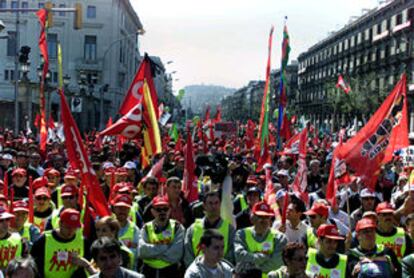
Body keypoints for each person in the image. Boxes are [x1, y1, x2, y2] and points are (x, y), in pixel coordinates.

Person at [30, 208, 93, 277]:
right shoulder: (43, 240)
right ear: (60, 223)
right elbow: (33, 265)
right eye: (68, 227)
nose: (71, 231)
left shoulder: (83, 242)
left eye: (75, 227)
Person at [184, 190, 235, 267]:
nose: (213, 206)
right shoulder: (192, 229)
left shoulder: (230, 229)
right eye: (210, 203)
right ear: (204, 206)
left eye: (216, 203)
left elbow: (231, 256)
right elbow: (188, 256)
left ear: (220, 205)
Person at [235, 201, 287, 276]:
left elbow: (276, 264)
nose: (264, 220)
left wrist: (250, 265)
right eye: (260, 217)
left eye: (267, 217)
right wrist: (265, 257)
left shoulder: (280, 238)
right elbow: (239, 257)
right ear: (252, 218)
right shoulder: (241, 235)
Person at [138, 195, 184, 278]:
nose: (162, 212)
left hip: (171, 272)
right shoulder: (146, 228)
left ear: (169, 210)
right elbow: (142, 251)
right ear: (152, 211)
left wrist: (152, 254)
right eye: (158, 209)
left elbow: (176, 254)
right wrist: (166, 247)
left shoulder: (177, 227)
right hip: (148, 272)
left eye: (165, 209)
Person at [111, 194, 140, 268]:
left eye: (125, 208)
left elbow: (137, 253)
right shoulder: (107, 227)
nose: (122, 211)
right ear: (114, 209)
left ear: (129, 210)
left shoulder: (135, 230)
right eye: (119, 208)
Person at [0, 207, 27, 272]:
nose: (5, 223)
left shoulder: (19, 240)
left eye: (7, 219)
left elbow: (26, 264)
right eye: (1, 220)